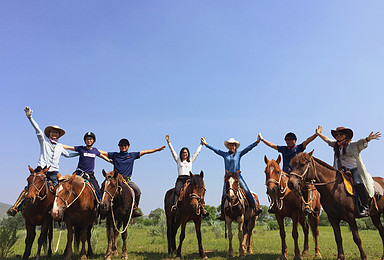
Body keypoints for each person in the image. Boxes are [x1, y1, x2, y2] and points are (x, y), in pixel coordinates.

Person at [7, 106, 78, 216]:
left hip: (54, 173)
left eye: (56, 132)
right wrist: (30, 117)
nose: (54, 134)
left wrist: (81, 152)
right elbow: (38, 131)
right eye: (53, 132)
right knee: (29, 188)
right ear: (49, 133)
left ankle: (58, 212)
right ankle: (16, 207)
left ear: (59, 135)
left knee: (57, 191)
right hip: (41, 171)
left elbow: (68, 155)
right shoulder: (44, 141)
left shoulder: (60, 146)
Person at [316, 126, 381, 217]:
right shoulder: (336, 145)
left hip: (355, 169)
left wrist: (368, 139)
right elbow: (327, 140)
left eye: (341, 134)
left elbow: (360, 143)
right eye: (336, 134)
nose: (338, 136)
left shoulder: (352, 144)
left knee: (358, 182)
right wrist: (319, 134)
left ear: (346, 135)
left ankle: (365, 206)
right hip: (342, 171)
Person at [100, 138, 165, 217]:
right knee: (104, 188)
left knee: (137, 191)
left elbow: (145, 152)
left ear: (128, 147)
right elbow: (102, 153)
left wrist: (157, 150)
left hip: (127, 180)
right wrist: (92, 149)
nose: (123, 147)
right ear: (119, 147)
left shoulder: (131, 155)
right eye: (121, 145)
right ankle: (102, 207)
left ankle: (134, 208)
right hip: (116, 180)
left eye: (125, 145)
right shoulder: (115, 155)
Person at [201, 136, 261, 220]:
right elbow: (216, 150)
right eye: (229, 145)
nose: (231, 146)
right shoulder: (225, 154)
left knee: (247, 191)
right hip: (228, 179)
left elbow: (248, 149)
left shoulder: (239, 154)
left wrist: (256, 142)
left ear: (235, 146)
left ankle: (255, 208)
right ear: (228, 146)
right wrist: (206, 144)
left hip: (238, 177)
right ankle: (222, 214)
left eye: (233, 145)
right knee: (223, 196)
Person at [259, 131, 318, 214]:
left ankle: (307, 205)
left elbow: (307, 141)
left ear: (295, 140)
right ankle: (273, 204)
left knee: (305, 186)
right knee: (273, 185)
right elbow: (272, 145)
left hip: (297, 174)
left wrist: (316, 134)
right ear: (285, 141)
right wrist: (262, 139)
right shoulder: (283, 149)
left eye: (291, 139)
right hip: (285, 174)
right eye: (287, 140)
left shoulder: (299, 148)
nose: (289, 141)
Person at [165, 135, 208, 217]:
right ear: (181, 154)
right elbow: (172, 151)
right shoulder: (178, 160)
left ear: (188, 154)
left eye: (186, 152)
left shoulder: (191, 161)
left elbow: (197, 153)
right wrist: (169, 142)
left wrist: (201, 144)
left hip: (189, 179)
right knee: (177, 191)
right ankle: (175, 206)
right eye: (183, 152)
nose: (185, 154)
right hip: (180, 179)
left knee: (197, 191)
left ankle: (201, 208)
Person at [63, 132, 111, 198]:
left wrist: (111, 162)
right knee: (68, 187)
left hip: (90, 175)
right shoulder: (81, 148)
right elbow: (68, 147)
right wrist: (57, 146)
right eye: (87, 139)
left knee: (98, 191)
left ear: (93, 141)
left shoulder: (95, 150)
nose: (89, 141)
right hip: (79, 173)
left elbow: (102, 156)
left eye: (90, 139)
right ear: (85, 140)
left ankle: (99, 206)